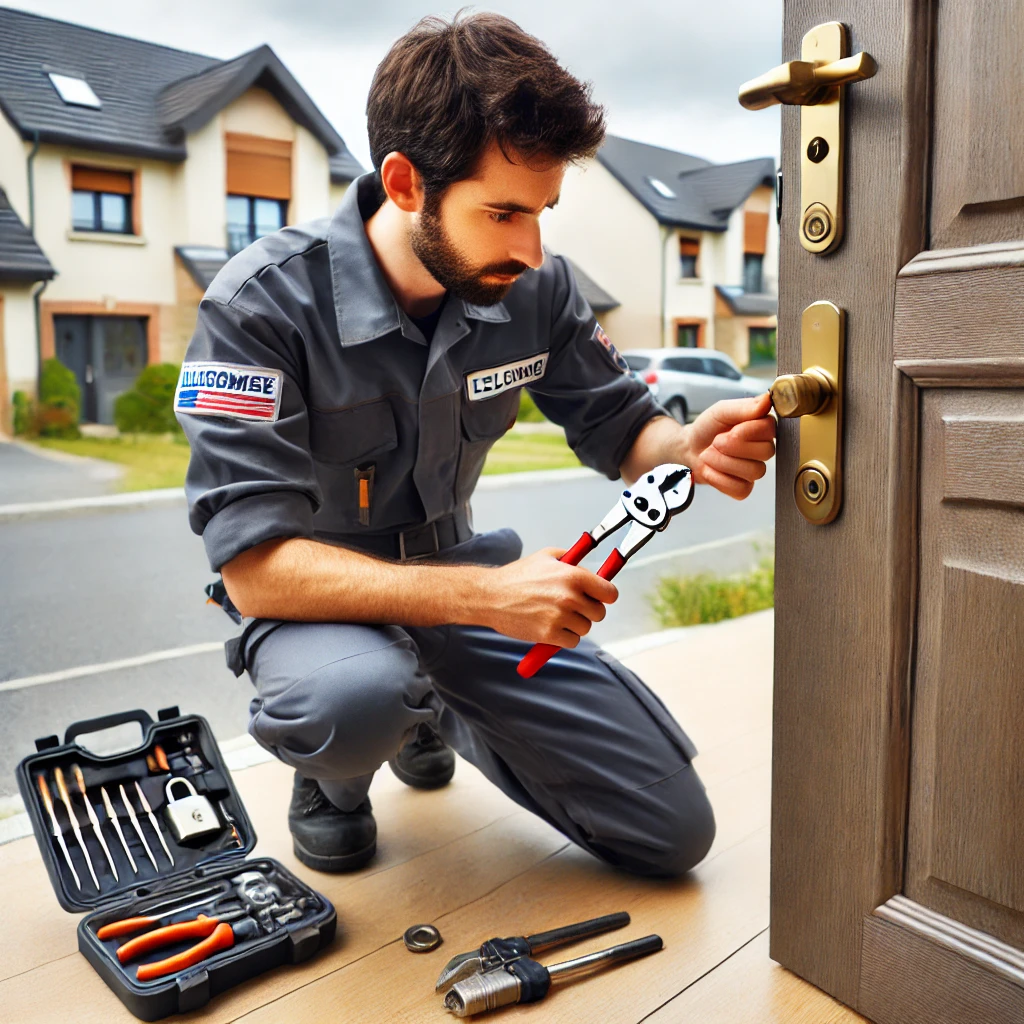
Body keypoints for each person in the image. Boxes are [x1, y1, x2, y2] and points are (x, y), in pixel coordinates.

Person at [177, 12, 776, 876]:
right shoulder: (259, 308)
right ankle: (344, 766)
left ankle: (427, 705)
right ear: (406, 181)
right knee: (356, 699)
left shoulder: (536, 288)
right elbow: (255, 568)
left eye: (542, 213)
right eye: (502, 212)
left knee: (673, 833)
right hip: (325, 605)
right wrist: (485, 601)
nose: (531, 250)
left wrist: (686, 443)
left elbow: (619, 427)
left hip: (470, 579)